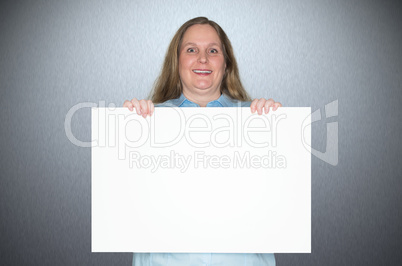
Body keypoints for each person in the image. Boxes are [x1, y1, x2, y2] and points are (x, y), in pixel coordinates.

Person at [124, 17, 280, 266]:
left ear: (226, 63)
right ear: (177, 62)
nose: (203, 58)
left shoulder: (257, 119)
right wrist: (128, 125)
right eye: (191, 50)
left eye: (213, 50)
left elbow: (277, 203)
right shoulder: (147, 121)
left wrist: (277, 126)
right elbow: (127, 202)